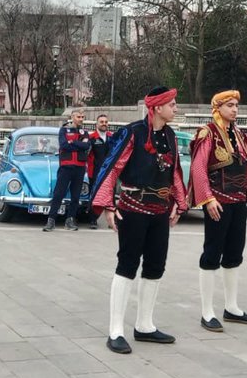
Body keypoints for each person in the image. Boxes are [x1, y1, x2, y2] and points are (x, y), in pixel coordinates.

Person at [92, 87, 187, 354]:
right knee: (127, 264)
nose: (176, 108)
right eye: (172, 104)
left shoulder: (170, 135)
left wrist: (180, 203)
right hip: (133, 209)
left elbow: (174, 172)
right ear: (157, 108)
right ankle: (115, 330)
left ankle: (145, 325)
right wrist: (108, 205)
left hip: (160, 211)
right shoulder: (132, 132)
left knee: (156, 265)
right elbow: (112, 167)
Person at [189, 90, 247, 331]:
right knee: (212, 253)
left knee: (235, 253)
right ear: (217, 108)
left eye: (236, 105)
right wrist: (207, 199)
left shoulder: (239, 134)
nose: (235, 109)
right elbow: (198, 168)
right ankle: (207, 312)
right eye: (230, 105)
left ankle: (231, 307)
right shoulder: (208, 133)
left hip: (238, 202)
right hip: (218, 202)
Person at [45, 108, 90, 231]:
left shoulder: (85, 132)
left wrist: (72, 142)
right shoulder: (64, 130)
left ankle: (70, 220)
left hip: (80, 167)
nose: (81, 119)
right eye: (78, 117)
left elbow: (86, 146)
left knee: (75, 196)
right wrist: (78, 143)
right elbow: (64, 145)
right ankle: (51, 220)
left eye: (82, 117)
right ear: (72, 117)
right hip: (66, 167)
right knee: (58, 194)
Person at [86, 114, 114, 228]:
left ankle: (112, 221)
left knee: (110, 196)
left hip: (109, 172)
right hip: (95, 172)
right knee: (94, 195)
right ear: (96, 124)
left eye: (106, 122)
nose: (104, 124)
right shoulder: (91, 138)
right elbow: (86, 154)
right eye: (101, 122)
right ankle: (93, 220)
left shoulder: (112, 137)